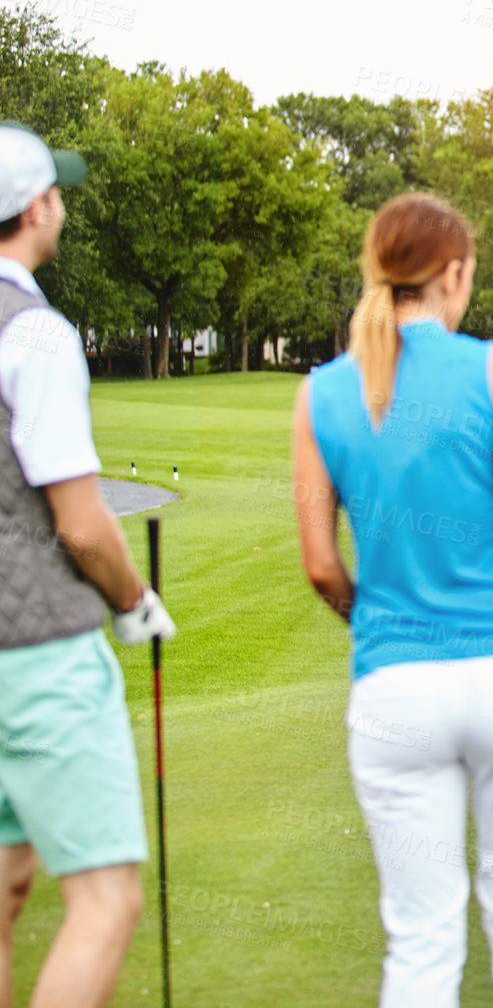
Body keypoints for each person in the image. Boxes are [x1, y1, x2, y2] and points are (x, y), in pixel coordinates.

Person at [291, 192, 493, 1008]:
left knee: (420, 938)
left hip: (394, 685)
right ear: (453, 273)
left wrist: (373, 615)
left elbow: (319, 565)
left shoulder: (321, 393)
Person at [0, 122, 177, 1008]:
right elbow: (81, 525)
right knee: (106, 900)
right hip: (36, 657)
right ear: (36, 208)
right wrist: (134, 601)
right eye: (57, 194)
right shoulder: (33, 334)